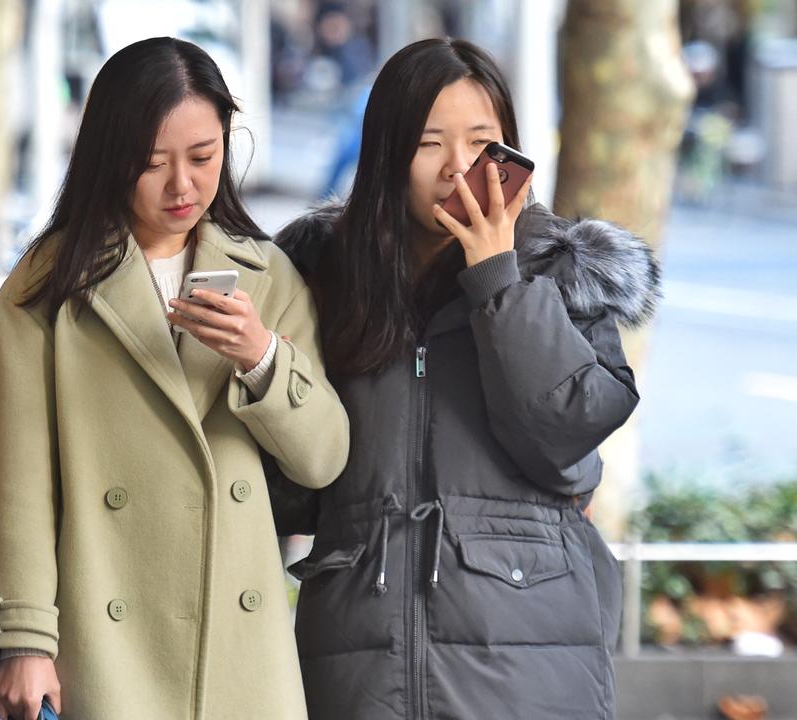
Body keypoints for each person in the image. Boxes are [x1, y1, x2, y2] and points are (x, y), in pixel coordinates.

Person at [270, 38, 661, 719]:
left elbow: (563, 434)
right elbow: (295, 491)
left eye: (481, 141)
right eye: (429, 145)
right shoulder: (324, 277)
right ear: (390, 155)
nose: (458, 167)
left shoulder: (558, 270)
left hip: (525, 658)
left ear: (510, 151)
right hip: (360, 662)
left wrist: (497, 278)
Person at [0, 36, 350, 720]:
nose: (183, 186)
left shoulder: (269, 277)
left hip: (239, 653)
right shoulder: (46, 289)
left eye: (203, 157)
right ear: (108, 159)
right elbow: (21, 478)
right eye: (152, 164)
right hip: (105, 643)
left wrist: (261, 357)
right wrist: (22, 639)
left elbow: (323, 459)